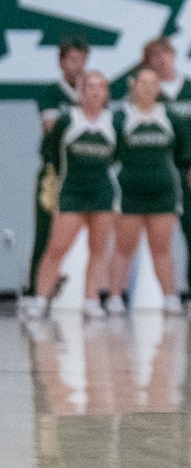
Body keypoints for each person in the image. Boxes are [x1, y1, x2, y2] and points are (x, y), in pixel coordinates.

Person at [22, 70, 119, 319]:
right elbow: (52, 152)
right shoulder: (67, 120)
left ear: (106, 93)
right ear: (81, 92)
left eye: (100, 87)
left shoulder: (114, 122)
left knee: (98, 250)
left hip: (102, 193)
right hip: (72, 192)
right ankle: (41, 298)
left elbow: (119, 154)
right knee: (56, 248)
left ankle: (91, 299)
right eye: (90, 86)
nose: (95, 91)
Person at [142, 37, 191, 312]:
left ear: (174, 55)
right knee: (157, 232)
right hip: (157, 168)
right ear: (148, 63)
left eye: (165, 54)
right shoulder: (148, 91)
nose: (162, 60)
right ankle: (159, 291)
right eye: (155, 57)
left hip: (187, 168)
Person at [107, 68, 184, 314]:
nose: (149, 87)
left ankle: (170, 297)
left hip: (162, 192)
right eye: (143, 82)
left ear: (159, 88)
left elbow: (183, 152)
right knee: (123, 247)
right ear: (133, 85)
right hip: (129, 191)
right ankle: (115, 296)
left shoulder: (170, 117)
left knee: (162, 248)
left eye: (154, 83)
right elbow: (111, 152)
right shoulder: (120, 117)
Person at [29, 35, 90, 291]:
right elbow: (52, 131)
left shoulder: (91, 91)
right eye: (73, 60)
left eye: (83, 60)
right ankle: (35, 289)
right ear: (61, 61)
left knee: (89, 234)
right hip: (55, 172)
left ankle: (82, 291)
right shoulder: (51, 93)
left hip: (86, 171)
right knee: (45, 233)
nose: (79, 66)